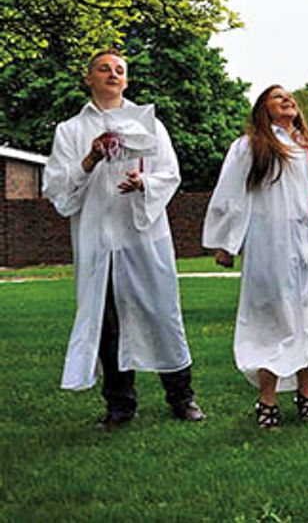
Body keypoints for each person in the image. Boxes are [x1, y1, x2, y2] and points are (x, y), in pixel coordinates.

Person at [43, 49, 203, 429]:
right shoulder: (70, 130)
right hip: (99, 239)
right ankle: (120, 405)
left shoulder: (149, 125)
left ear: (126, 81)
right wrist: (90, 159)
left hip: (142, 236)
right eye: (104, 69)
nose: (113, 74)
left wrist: (144, 183)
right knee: (107, 321)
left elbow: (170, 174)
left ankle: (181, 396)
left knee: (162, 313)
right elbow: (57, 189)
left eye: (119, 70)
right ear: (89, 78)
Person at [203, 85, 308, 427]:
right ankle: (267, 400)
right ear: (264, 108)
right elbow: (232, 192)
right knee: (271, 316)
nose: (287, 99)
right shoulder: (251, 146)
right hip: (272, 242)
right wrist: (224, 241)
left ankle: (307, 395)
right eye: (277, 96)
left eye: (289, 96)